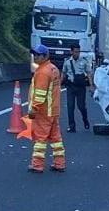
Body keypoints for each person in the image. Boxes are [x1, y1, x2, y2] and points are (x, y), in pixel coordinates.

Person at [28, 45, 65, 173]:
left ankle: (37, 165)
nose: (36, 57)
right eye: (35, 54)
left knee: (40, 139)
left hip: (44, 111)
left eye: (38, 55)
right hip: (54, 109)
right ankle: (59, 163)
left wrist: (34, 109)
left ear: (45, 56)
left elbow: (40, 94)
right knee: (56, 139)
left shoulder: (43, 72)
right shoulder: (54, 69)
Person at [62, 44, 94, 132]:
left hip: (81, 87)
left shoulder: (84, 61)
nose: (77, 53)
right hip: (70, 86)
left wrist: (91, 86)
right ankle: (72, 126)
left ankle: (85, 119)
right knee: (70, 106)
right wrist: (58, 84)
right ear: (71, 52)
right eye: (75, 51)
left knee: (81, 106)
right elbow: (64, 74)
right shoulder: (67, 62)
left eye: (78, 52)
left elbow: (89, 73)